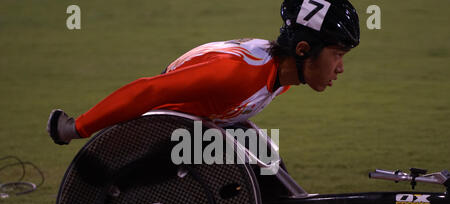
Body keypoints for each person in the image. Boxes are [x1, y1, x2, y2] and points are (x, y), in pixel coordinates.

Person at [47, 0, 360, 145]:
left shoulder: (282, 75)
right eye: (337, 55)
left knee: (265, 152)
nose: (340, 68)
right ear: (303, 49)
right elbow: (150, 91)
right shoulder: (234, 74)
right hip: (160, 133)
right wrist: (75, 128)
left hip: (197, 129)